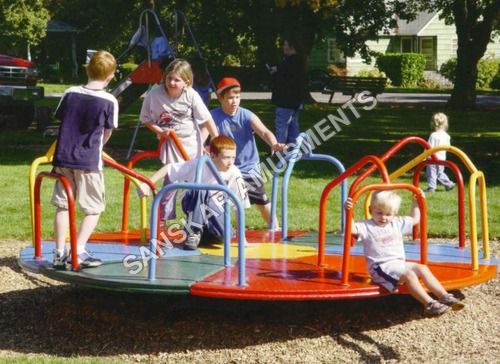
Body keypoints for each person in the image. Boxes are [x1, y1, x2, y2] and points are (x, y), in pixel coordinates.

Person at [345, 190, 464, 316]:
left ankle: (444, 296)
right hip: (380, 268)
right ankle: (429, 304)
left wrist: (415, 201)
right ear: (370, 210)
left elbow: (415, 219)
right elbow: (351, 228)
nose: (384, 217)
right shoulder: (366, 226)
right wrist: (348, 212)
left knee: (422, 268)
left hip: (398, 263)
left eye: (388, 214)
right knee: (409, 275)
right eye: (379, 213)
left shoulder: (396, 223)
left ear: (394, 213)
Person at [51, 50, 118, 269]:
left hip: (63, 158)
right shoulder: (109, 100)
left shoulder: (70, 92)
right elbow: (107, 132)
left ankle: (59, 252)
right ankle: (78, 250)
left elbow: (62, 119)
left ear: (87, 70)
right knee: (93, 208)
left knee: (63, 205)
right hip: (89, 161)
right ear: (111, 76)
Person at [139, 58, 219, 223]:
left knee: (194, 181)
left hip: (190, 143)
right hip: (169, 143)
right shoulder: (155, 93)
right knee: (171, 180)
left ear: (187, 82)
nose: (172, 83)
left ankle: (197, 218)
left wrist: (217, 142)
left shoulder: (191, 95)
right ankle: (162, 219)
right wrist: (160, 132)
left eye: (177, 80)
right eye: (169, 78)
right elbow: (146, 119)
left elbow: (207, 120)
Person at [137, 135, 250, 250]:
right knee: (201, 189)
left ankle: (194, 231)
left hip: (215, 214)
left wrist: (242, 237)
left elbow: (239, 205)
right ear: (212, 156)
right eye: (226, 158)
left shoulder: (235, 173)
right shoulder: (198, 164)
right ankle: (194, 231)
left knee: (225, 235)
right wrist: (147, 184)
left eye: (233, 157)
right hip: (193, 202)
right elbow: (169, 168)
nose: (231, 162)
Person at [211, 77, 285, 229]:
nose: (235, 101)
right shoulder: (213, 117)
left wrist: (274, 143)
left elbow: (264, 131)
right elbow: (203, 136)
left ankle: (275, 228)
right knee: (221, 202)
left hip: (248, 168)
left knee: (262, 201)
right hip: (225, 168)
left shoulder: (246, 115)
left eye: (238, 97)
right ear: (220, 98)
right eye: (231, 97)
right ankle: (225, 231)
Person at [270, 35, 307, 145]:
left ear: (292, 46)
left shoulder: (288, 63)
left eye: (285, 44)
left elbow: (283, 81)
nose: (283, 47)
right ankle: (293, 150)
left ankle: (280, 150)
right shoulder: (300, 61)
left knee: (282, 126)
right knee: (293, 126)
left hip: (285, 101)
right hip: (295, 101)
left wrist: (275, 72)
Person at [425, 112, 456, 193]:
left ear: (433, 123)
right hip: (442, 158)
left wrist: (424, 157)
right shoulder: (447, 136)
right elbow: (448, 147)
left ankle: (431, 187)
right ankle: (448, 184)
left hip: (432, 158)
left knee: (431, 173)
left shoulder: (433, 135)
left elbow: (429, 147)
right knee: (439, 173)